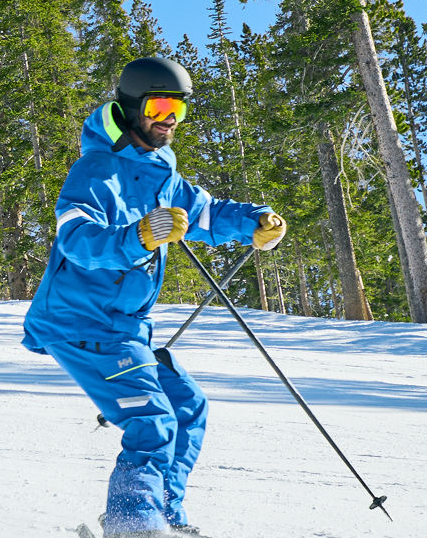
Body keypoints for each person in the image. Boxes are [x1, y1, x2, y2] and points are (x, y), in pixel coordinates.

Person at [22, 56, 288, 538]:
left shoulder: (159, 171)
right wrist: (138, 236)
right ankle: (133, 524)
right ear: (130, 105)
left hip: (124, 327)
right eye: (161, 104)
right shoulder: (95, 170)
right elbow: (76, 240)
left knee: (187, 406)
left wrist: (256, 221)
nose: (169, 118)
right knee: (152, 421)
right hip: (81, 323)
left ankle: (163, 514)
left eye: (179, 110)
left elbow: (206, 214)